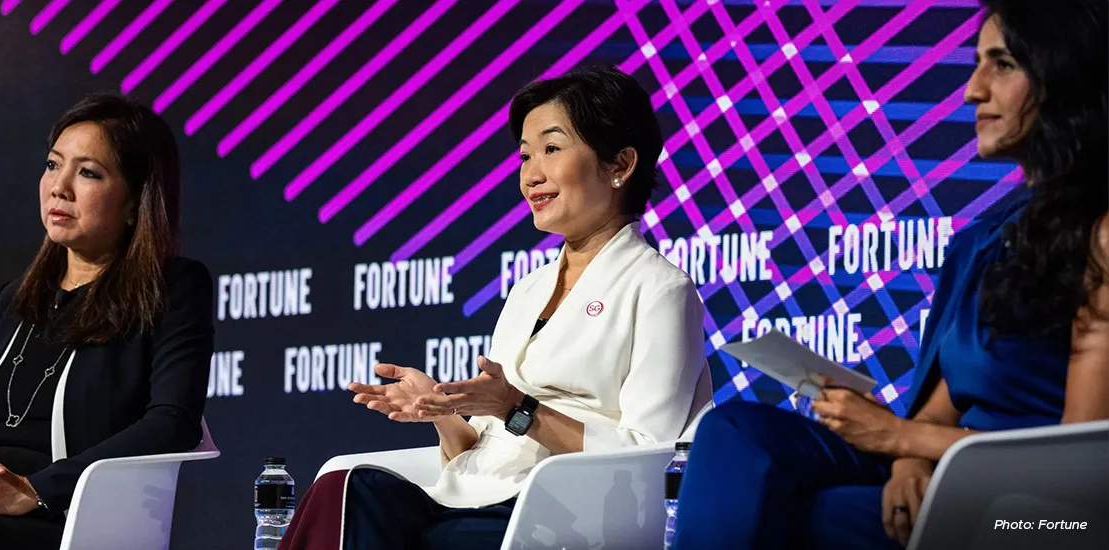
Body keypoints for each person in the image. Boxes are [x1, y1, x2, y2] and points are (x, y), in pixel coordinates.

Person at [670, 1, 1109, 549]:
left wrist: (901, 435)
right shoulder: (984, 238)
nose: (973, 90)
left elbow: (1084, 465)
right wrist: (906, 461)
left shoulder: (1101, 236)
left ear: (1063, 73)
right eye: (977, 64)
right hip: (949, 465)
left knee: (812, 515)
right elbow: (940, 406)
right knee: (734, 432)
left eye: (1002, 64)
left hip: (1045, 514)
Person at [278, 66, 714, 550]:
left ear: (620, 165)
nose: (532, 174)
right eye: (525, 155)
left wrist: (516, 407)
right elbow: (480, 453)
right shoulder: (528, 290)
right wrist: (442, 412)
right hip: (478, 501)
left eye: (552, 148)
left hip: (565, 516)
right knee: (348, 486)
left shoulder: (659, 291)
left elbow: (649, 458)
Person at [0, 93, 214, 549]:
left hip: (63, 519)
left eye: (88, 173)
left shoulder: (172, 287)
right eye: (52, 165)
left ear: (134, 201)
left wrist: (33, 491)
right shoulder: (13, 299)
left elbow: (173, 421)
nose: (58, 187)